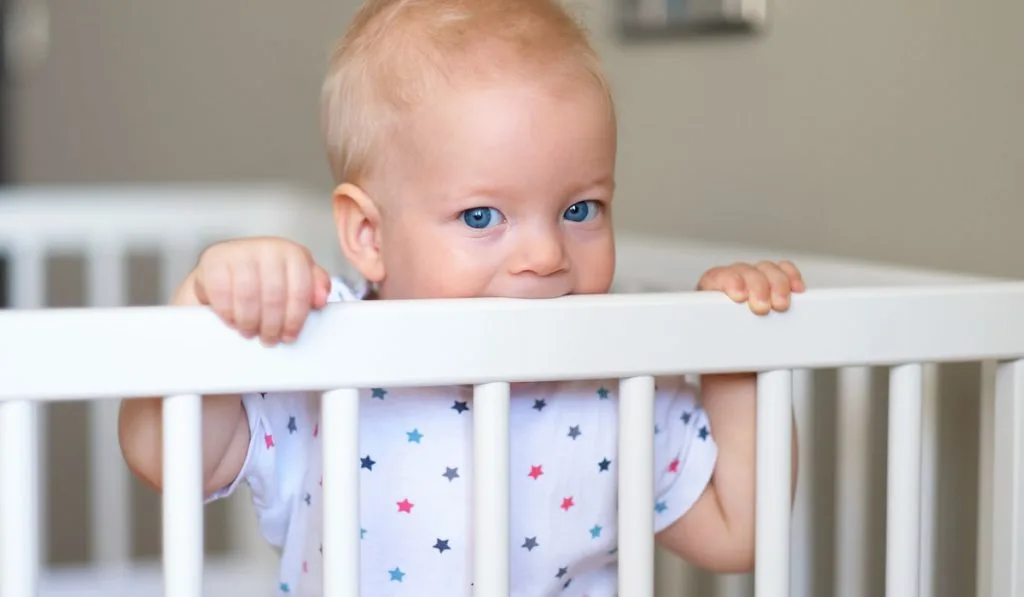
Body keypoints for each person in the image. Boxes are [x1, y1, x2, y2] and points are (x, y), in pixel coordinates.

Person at [118, 0, 803, 594]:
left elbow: (736, 530)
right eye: (482, 217)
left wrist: (734, 350)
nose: (546, 256)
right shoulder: (325, 357)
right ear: (368, 235)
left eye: (581, 209)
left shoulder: (615, 384)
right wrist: (208, 303)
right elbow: (168, 457)